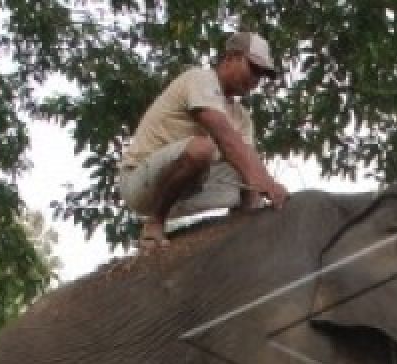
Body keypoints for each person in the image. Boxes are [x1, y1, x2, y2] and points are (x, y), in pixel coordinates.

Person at [119, 31, 290, 250]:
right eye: (253, 69)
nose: (256, 79)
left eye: (262, 75)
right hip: (140, 183)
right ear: (230, 58)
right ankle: (155, 222)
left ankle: (243, 226)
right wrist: (266, 182)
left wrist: (265, 191)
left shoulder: (243, 117)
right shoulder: (200, 79)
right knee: (204, 149)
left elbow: (248, 160)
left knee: (247, 174)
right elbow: (224, 136)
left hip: (186, 191)